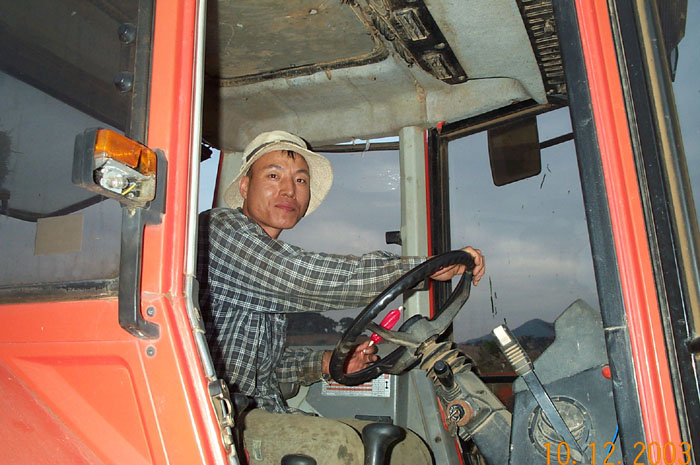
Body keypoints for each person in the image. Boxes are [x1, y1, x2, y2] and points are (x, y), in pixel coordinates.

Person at [197, 130, 485, 465]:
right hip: (211, 421)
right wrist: (421, 268)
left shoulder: (265, 266)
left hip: (256, 415)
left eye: (300, 180)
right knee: (342, 448)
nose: (289, 190)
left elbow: (263, 375)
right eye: (274, 176)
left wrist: (327, 363)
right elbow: (305, 279)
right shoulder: (221, 230)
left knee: (408, 449)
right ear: (245, 187)